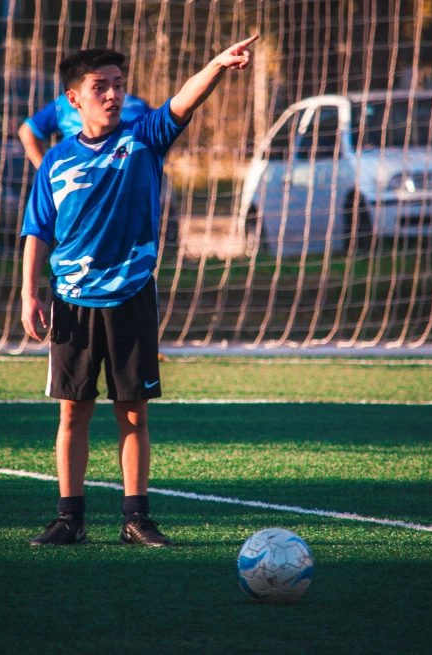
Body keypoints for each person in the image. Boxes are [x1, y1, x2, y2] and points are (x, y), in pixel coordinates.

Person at [21, 37, 257, 547]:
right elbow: (37, 231)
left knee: (133, 411)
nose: (112, 95)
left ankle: (136, 518)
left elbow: (183, 100)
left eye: (119, 86)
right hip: (72, 301)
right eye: (99, 87)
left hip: (131, 297)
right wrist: (29, 294)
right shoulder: (55, 162)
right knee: (72, 411)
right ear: (72, 101)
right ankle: (70, 518)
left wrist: (215, 64)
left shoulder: (144, 139)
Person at [18, 89, 152, 169]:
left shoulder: (137, 105)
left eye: (117, 85)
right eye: (98, 85)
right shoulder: (65, 103)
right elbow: (27, 131)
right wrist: (46, 172)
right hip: (78, 185)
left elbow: (161, 137)